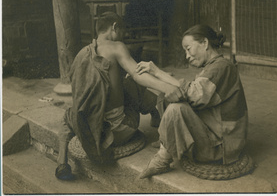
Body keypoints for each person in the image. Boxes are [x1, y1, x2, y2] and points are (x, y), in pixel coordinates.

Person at [55, 11, 182, 180]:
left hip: (88, 129)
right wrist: (167, 87)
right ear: (115, 27)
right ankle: (156, 114)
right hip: (117, 131)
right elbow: (138, 74)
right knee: (132, 83)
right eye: (123, 31)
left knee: (67, 115)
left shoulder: (82, 54)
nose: (124, 35)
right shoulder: (117, 47)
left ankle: (62, 162)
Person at [136, 24, 248, 179]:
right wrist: (159, 75)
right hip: (213, 135)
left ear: (205, 43)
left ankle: (163, 158)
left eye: (188, 48)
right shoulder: (214, 66)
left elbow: (192, 95)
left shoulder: (222, 67)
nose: (187, 55)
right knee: (167, 93)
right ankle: (166, 141)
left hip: (223, 148)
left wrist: (157, 72)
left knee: (176, 108)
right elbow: (187, 91)